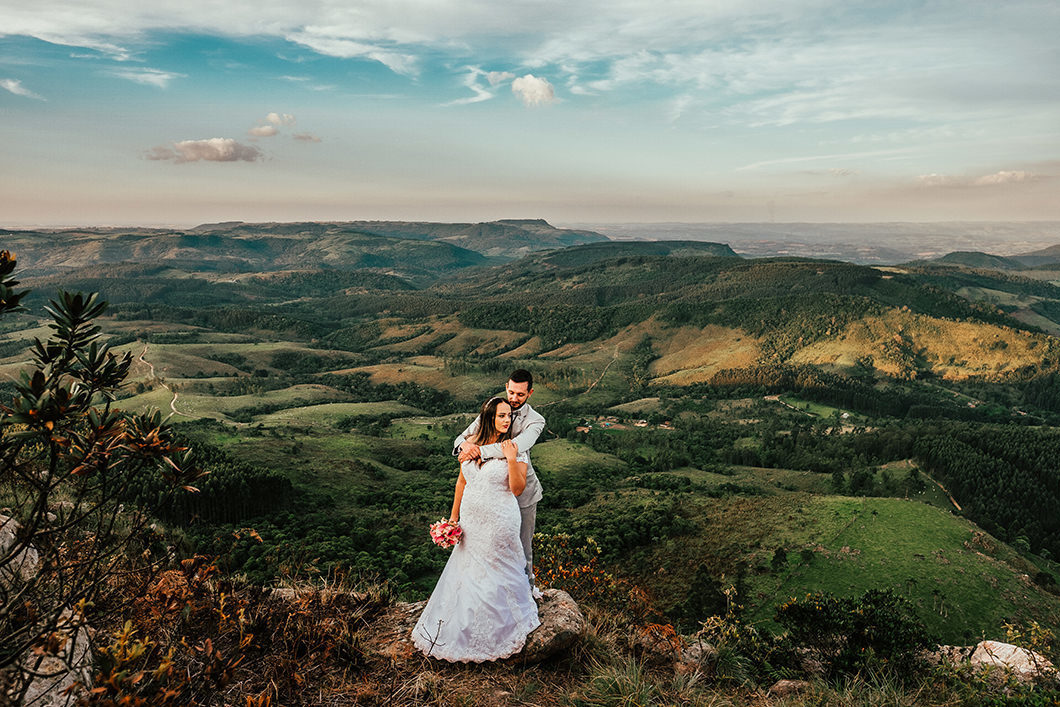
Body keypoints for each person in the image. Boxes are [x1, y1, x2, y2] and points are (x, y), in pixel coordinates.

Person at [412, 396, 541, 662]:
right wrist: (453, 519)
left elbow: (517, 489)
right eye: (501, 416)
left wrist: (511, 456)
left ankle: (499, 630)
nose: (507, 420)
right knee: (467, 571)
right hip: (471, 520)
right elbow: (462, 482)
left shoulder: (515, 447)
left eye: (509, 416)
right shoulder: (470, 446)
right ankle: (463, 628)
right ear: (488, 419)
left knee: (496, 571)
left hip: (499, 519)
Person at [453, 369, 544, 591]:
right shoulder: (496, 407)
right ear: (506, 387)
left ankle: (526, 591)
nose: (514, 399)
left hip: (521, 489)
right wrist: (464, 446)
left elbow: (516, 447)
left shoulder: (536, 421)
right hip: (489, 492)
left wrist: (478, 451)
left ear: (530, 393)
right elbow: (462, 438)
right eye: (511, 392)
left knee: (522, 546)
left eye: (520, 395)